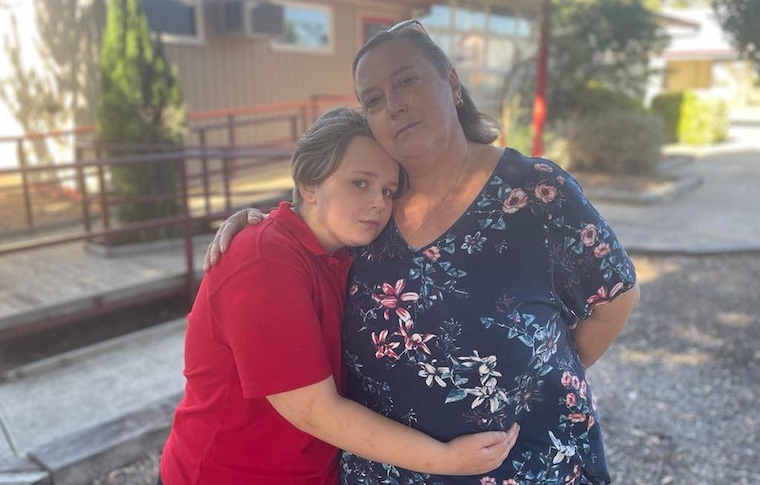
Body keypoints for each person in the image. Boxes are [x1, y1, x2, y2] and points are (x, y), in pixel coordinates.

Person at [206, 20, 640, 485]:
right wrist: (261, 224)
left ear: (451, 83)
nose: (393, 106)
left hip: (523, 466)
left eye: (406, 81)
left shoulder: (536, 192)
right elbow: (312, 226)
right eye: (372, 99)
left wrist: (534, 379)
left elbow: (614, 298)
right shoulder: (373, 212)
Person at [159, 107, 519, 485]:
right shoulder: (264, 261)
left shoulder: (346, 250)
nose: (379, 201)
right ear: (309, 184)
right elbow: (314, 410)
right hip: (228, 473)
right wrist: (446, 458)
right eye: (359, 183)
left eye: (388, 190)